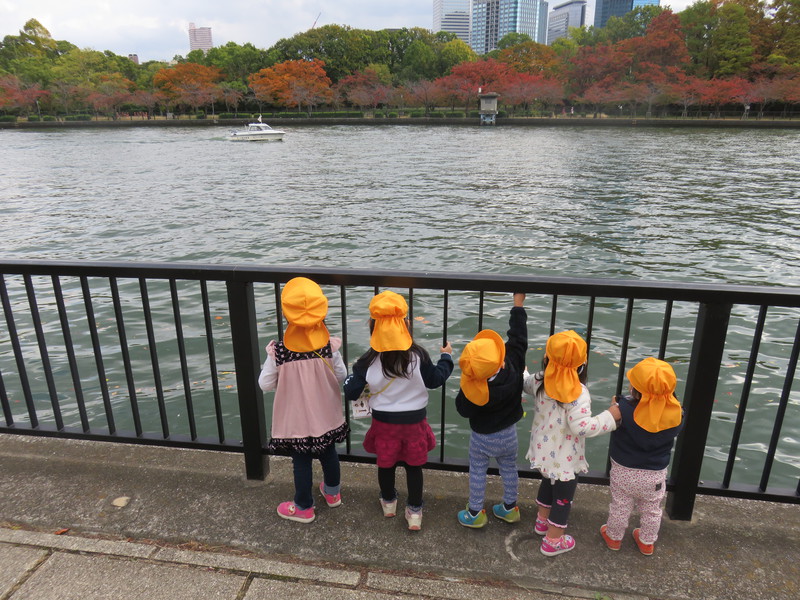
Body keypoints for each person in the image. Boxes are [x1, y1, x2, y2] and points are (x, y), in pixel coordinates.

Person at [344, 290, 453, 531]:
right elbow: (435, 379)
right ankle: (414, 511)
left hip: (384, 425)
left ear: (373, 327)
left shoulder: (366, 361)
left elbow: (351, 391)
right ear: (406, 325)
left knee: (386, 464)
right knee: (414, 467)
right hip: (414, 424)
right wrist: (446, 359)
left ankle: (388, 502)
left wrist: (351, 378)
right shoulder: (418, 356)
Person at [258, 277, 348, 524]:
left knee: (301, 461)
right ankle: (332, 494)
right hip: (326, 415)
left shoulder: (279, 351)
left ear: (287, 314)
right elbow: (341, 375)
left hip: (296, 419)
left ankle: (304, 507)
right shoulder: (330, 347)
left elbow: (265, 384)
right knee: (329, 453)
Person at [524, 330, 620, 556]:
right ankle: (553, 541)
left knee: (547, 482)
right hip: (565, 458)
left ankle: (541, 522)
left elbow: (525, 384)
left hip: (542, 450)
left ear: (547, 358)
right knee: (563, 498)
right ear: (581, 365)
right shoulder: (579, 392)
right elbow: (583, 427)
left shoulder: (540, 380)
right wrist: (611, 416)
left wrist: (523, 373)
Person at [454, 292, 527, 528]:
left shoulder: (474, 390)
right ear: (501, 360)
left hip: (482, 438)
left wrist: (465, 385)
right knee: (509, 469)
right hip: (509, 435)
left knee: (477, 472)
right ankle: (509, 508)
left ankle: (475, 513)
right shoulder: (514, 365)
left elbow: (462, 410)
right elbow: (518, 338)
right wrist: (518, 305)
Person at [600, 357, 684, 556]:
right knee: (652, 509)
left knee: (620, 506)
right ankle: (647, 542)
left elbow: (615, 414)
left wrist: (616, 403)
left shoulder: (624, 410)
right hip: (654, 475)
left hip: (623, 471)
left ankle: (613, 538)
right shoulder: (677, 414)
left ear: (635, 389)